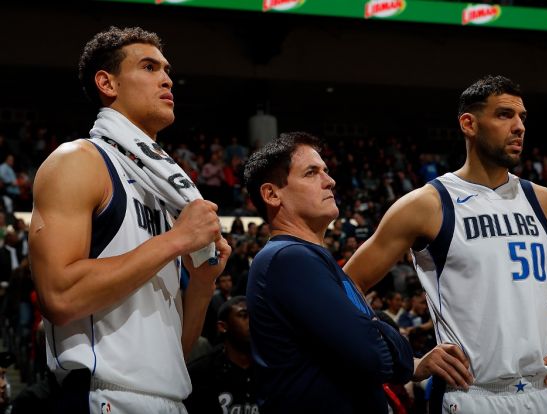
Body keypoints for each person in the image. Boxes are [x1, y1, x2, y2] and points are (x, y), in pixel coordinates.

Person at [344, 75, 547, 413]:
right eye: (505, 115)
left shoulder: (542, 200)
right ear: (469, 124)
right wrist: (411, 362)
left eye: (522, 117)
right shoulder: (427, 204)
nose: (519, 126)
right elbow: (345, 286)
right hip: (470, 394)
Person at [29, 26, 231, 413]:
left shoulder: (165, 189)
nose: (167, 79)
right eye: (149, 67)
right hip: (101, 395)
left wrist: (203, 283)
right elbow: (60, 296)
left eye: (167, 70)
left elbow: (174, 353)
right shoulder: (78, 161)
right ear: (107, 82)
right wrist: (175, 240)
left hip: (169, 398)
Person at [244, 132, 414, 413]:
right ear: (272, 194)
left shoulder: (307, 257)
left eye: (326, 170)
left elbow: (371, 343)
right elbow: (376, 359)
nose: (330, 180)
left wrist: (374, 325)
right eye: (311, 172)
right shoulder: (290, 258)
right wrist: (387, 335)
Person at [185, 296, 258, 413]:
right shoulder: (201, 373)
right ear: (223, 327)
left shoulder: (270, 368)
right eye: (244, 316)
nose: (252, 321)